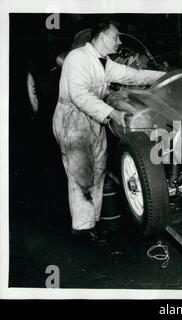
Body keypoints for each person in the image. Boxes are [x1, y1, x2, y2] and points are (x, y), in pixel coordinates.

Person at [52, 19, 165, 242]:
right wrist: (112, 113)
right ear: (102, 37)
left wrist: (165, 77)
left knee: (99, 170)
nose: (119, 41)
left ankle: (92, 222)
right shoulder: (78, 59)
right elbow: (80, 96)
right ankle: (83, 229)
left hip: (95, 118)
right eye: (116, 37)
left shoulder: (103, 62)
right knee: (81, 175)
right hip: (73, 120)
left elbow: (133, 75)